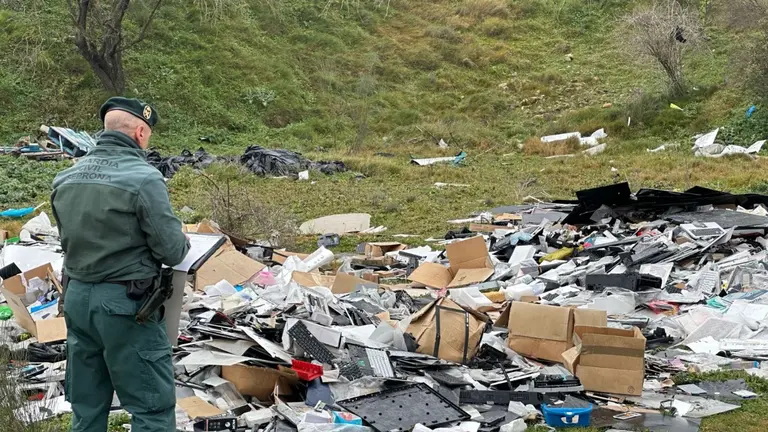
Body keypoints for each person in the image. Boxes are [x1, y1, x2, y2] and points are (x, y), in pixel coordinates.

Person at [51, 97, 190, 432]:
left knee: (87, 406)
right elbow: (172, 251)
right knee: (152, 407)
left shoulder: (65, 178)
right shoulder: (144, 178)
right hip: (126, 305)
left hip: (77, 299)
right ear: (141, 132)